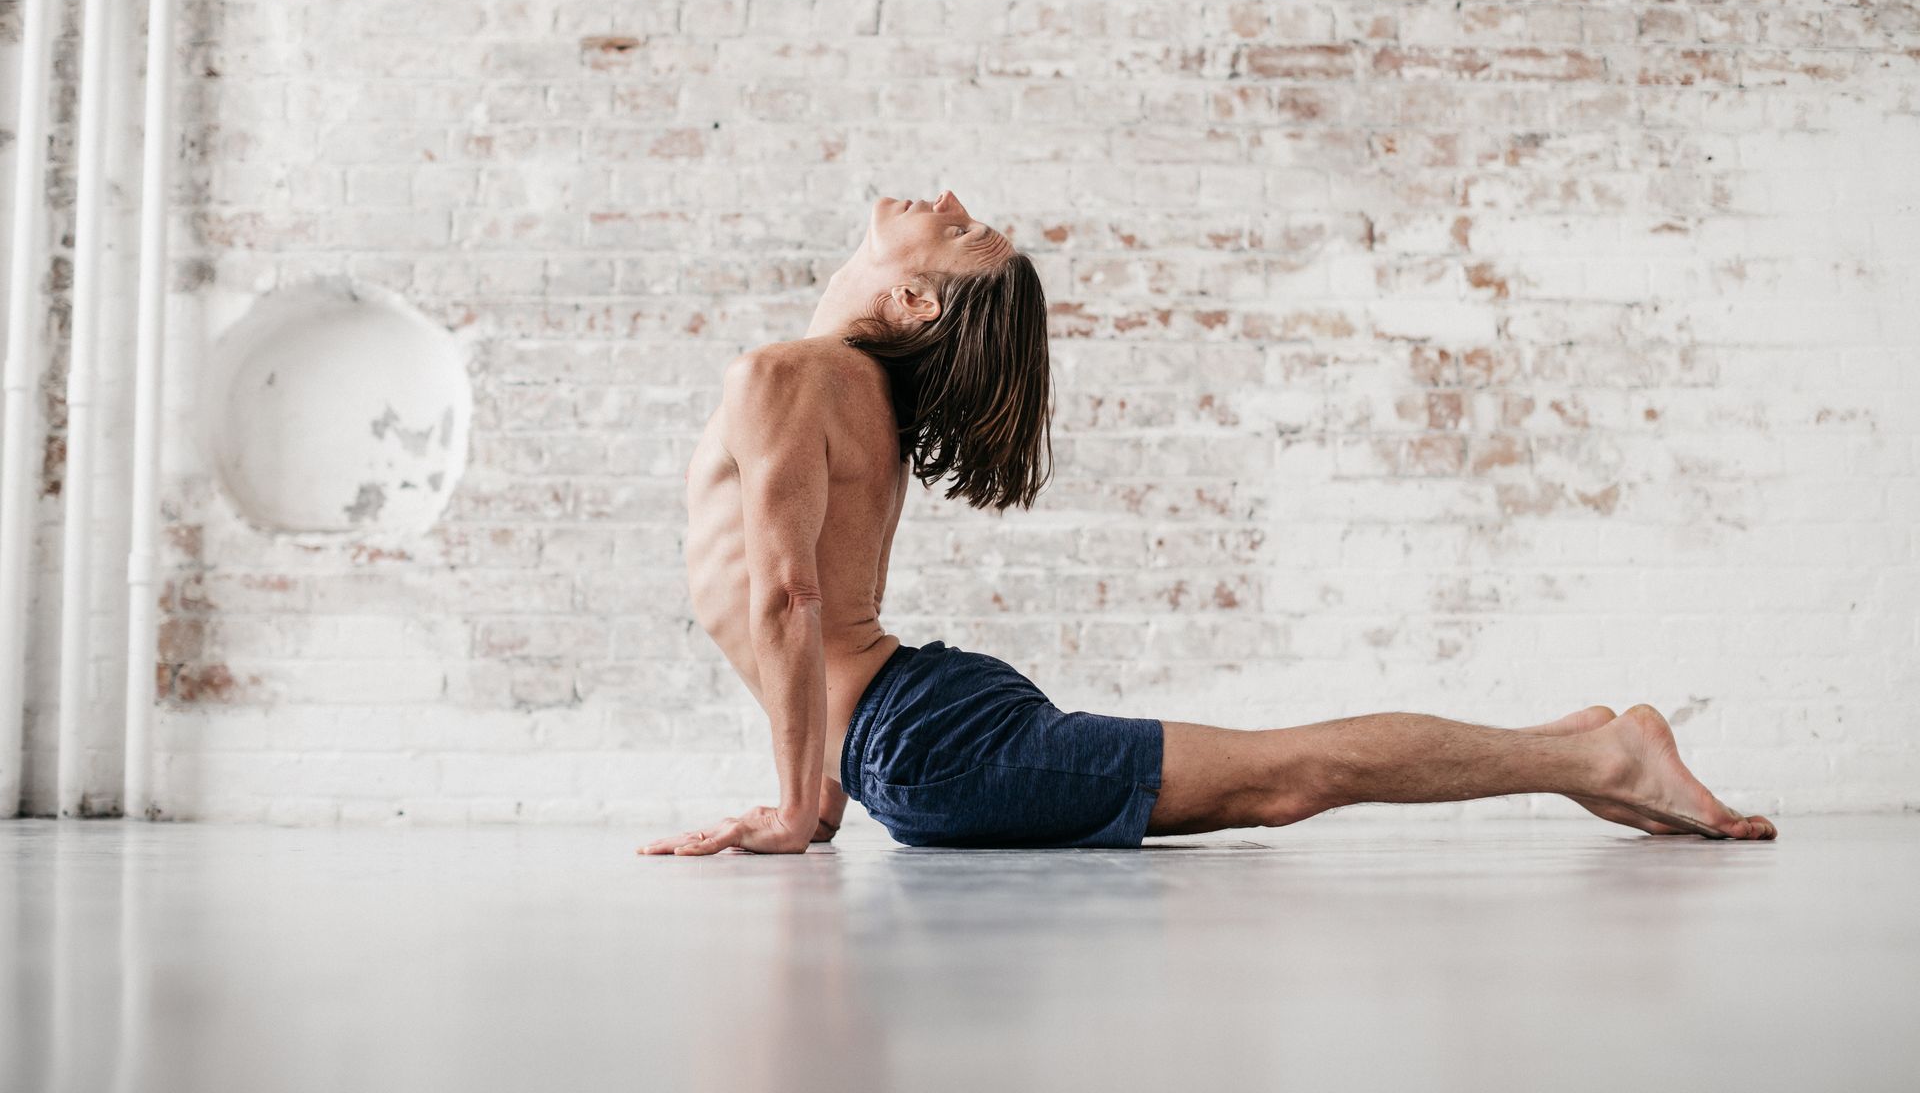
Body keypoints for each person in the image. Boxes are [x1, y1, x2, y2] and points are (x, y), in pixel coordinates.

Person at [640, 192, 1776, 855]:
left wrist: (802, 806)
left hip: (928, 737)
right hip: (913, 712)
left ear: (916, 300)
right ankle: (1570, 741)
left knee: (1286, 777)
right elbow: (815, 607)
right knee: (1278, 775)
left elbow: (790, 595)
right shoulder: (839, 383)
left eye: (962, 226)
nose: (943, 198)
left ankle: (1593, 752)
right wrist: (823, 789)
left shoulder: (788, 374)